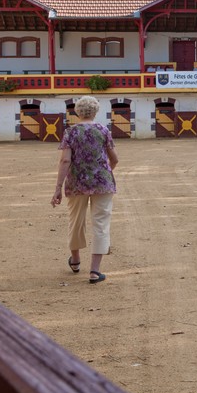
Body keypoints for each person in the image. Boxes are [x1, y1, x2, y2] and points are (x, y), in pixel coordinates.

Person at [51, 96, 119, 284]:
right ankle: (95, 271)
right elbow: (115, 159)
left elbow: (65, 160)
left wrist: (57, 188)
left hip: (77, 182)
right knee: (101, 223)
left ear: (77, 112)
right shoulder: (103, 130)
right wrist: (104, 172)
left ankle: (75, 260)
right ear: (95, 112)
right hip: (102, 183)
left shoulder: (71, 132)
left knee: (76, 221)